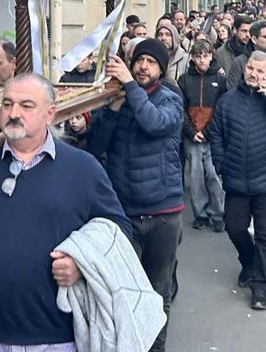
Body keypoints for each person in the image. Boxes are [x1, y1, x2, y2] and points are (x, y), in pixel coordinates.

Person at [0, 73, 132, 349]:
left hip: (54, 341)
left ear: (49, 114)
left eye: (26, 106)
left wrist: (82, 264)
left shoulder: (82, 168)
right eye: (7, 104)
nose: (14, 113)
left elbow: (118, 232)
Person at [86, 39, 183, 352]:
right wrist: (113, 109)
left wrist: (129, 85)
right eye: (138, 60)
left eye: (150, 62)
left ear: (161, 69)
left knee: (157, 291)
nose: (143, 66)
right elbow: (96, 145)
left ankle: (155, 348)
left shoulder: (170, 98)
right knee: (124, 290)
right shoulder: (119, 99)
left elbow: (155, 123)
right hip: (124, 213)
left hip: (164, 212)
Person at [207, 52, 266, 311]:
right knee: (234, 228)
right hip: (236, 179)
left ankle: (260, 285)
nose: (253, 74)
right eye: (250, 68)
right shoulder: (227, 101)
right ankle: (249, 262)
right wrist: (220, 163)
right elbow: (216, 134)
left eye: (260, 71)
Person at [177, 39, 226, 232]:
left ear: (211, 56)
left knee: (213, 175)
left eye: (205, 56)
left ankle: (218, 213)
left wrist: (207, 131)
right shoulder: (184, 79)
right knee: (196, 176)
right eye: (198, 56)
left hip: (212, 135)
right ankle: (201, 213)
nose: (202, 60)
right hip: (192, 135)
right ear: (193, 58)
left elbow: (221, 108)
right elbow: (181, 109)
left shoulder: (220, 79)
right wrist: (191, 131)